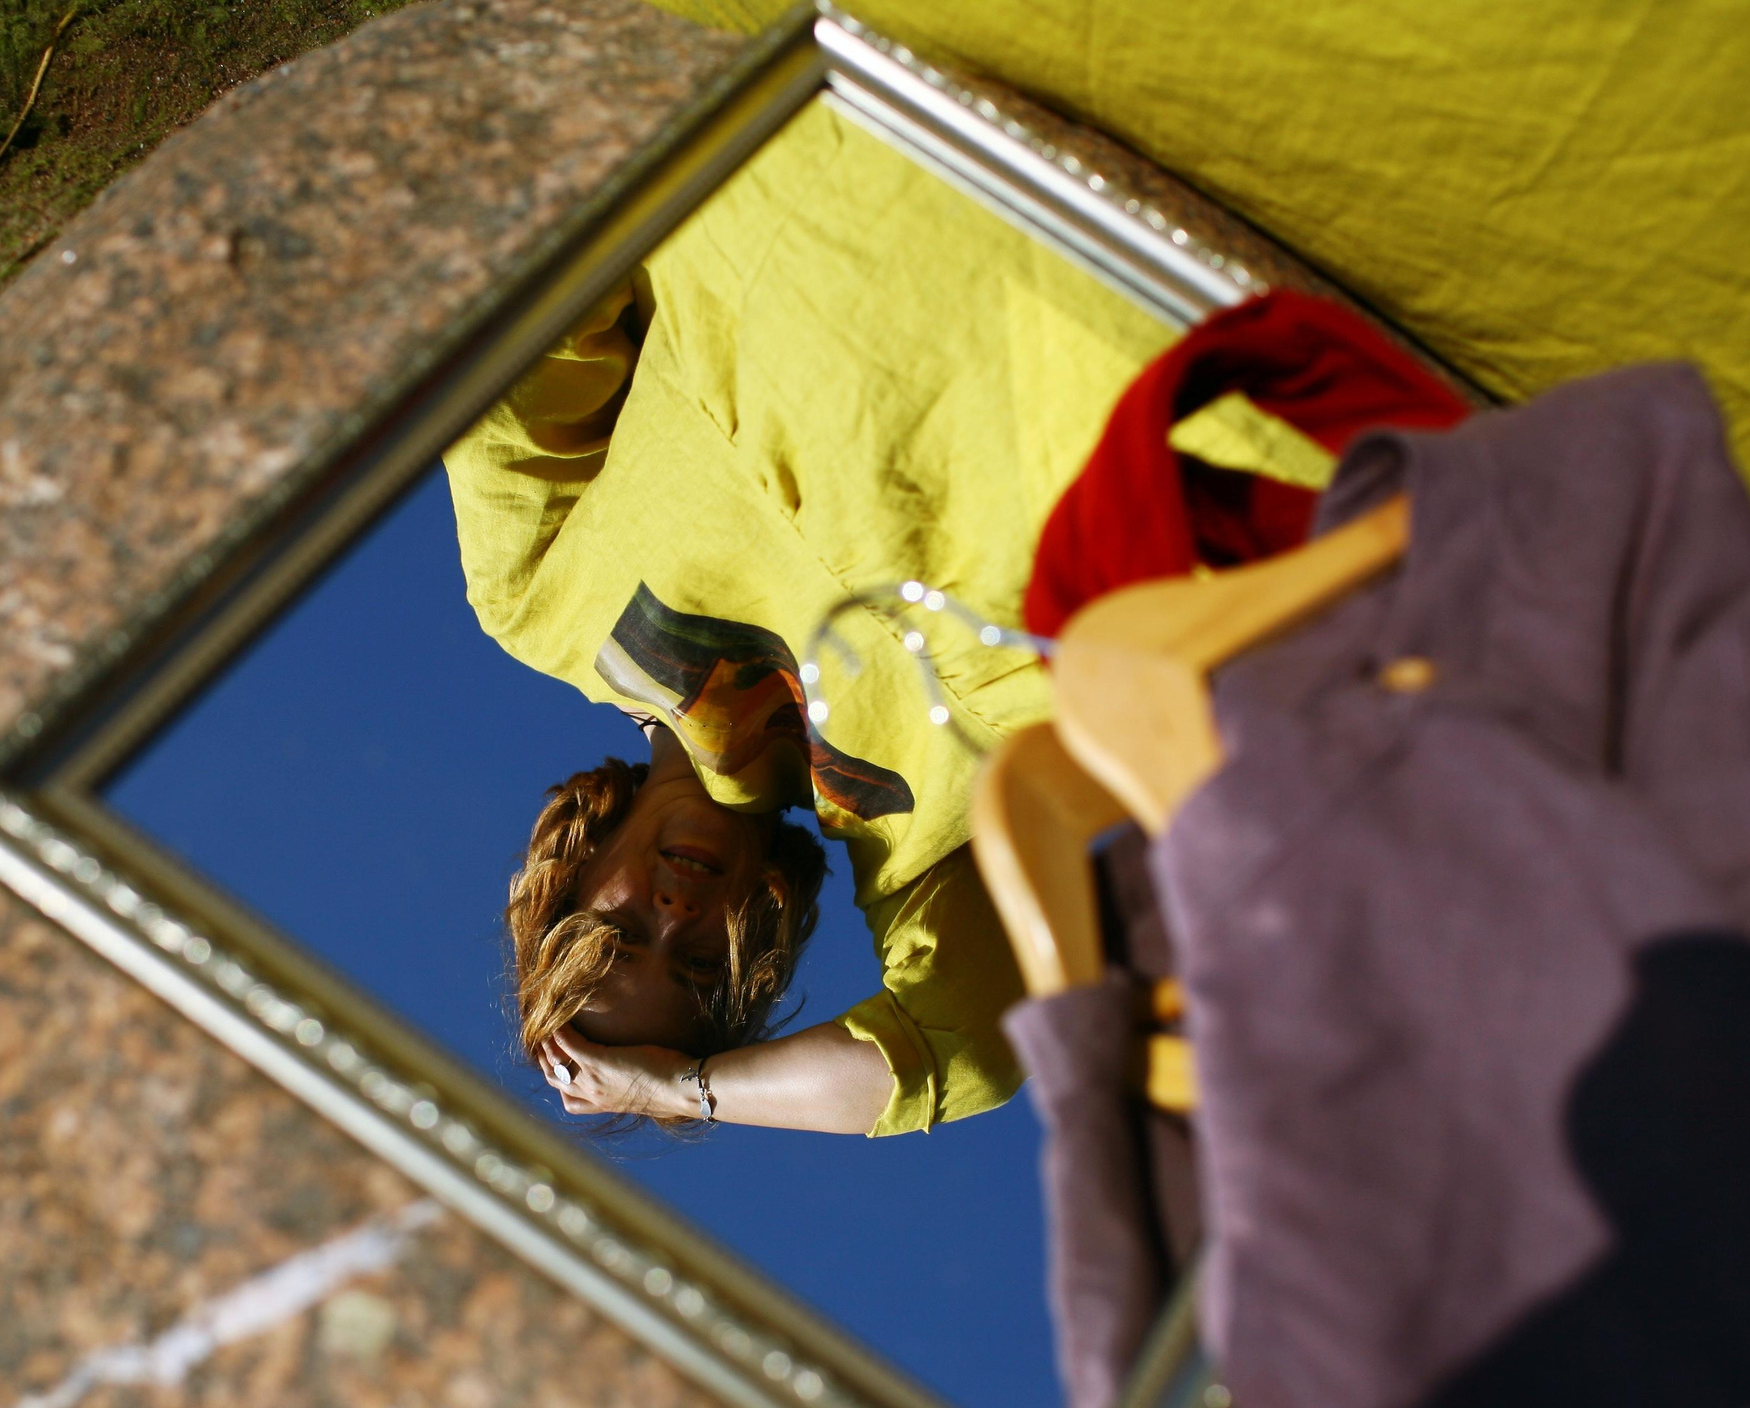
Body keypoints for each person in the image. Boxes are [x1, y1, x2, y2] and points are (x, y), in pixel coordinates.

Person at [444, 103, 1331, 1135]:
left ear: (573, 874)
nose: (676, 914)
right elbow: (976, 1046)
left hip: (887, 130)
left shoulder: (540, 600)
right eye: (694, 962)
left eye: (624, 930)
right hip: (1196, 320)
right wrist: (678, 1091)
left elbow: (532, 310)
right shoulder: (915, 853)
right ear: (753, 950)